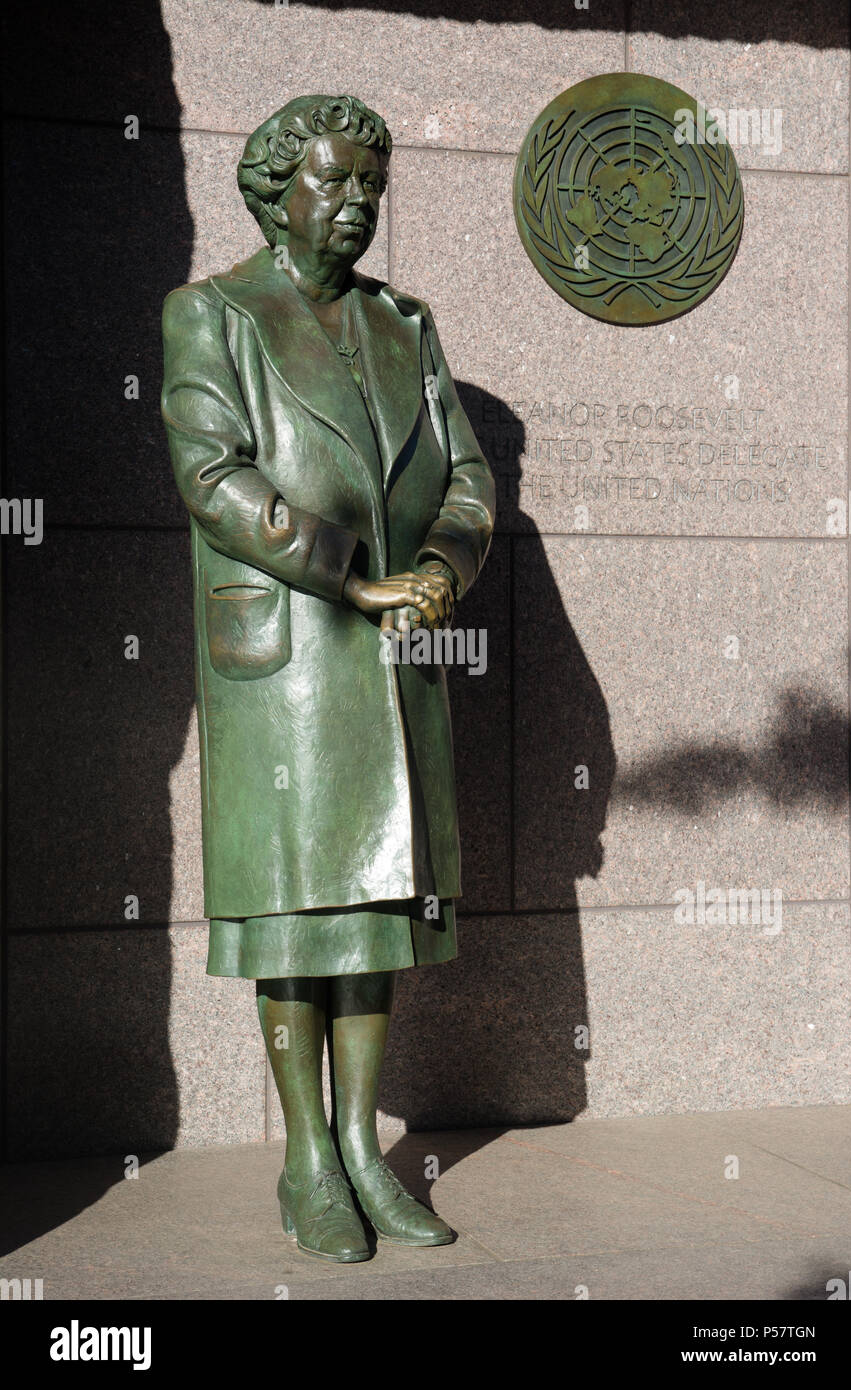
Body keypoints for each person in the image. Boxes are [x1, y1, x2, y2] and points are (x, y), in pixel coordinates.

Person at [161, 93, 494, 1263]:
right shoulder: (211, 315)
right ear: (272, 189)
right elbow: (212, 475)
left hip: (398, 653)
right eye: (331, 183)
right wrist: (349, 576)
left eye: (369, 187)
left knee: (374, 915)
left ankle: (364, 1147)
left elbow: (464, 477)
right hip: (293, 662)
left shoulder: (408, 324)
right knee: (300, 915)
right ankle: (307, 1157)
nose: (354, 205)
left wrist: (445, 567)